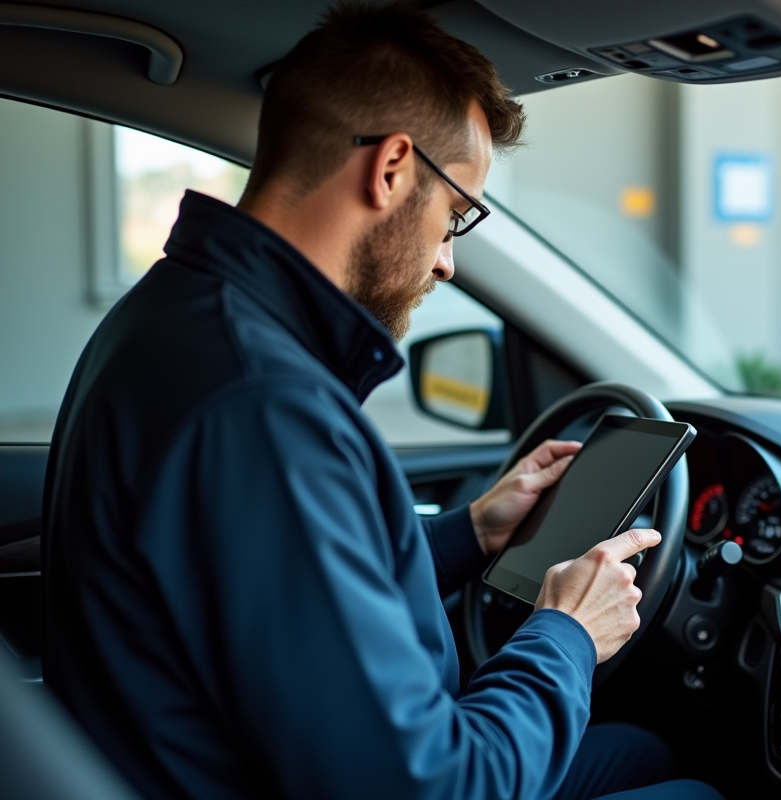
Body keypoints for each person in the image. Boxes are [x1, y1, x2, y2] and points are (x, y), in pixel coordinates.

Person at [39, 3, 722, 800]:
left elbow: (292, 586)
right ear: (392, 168)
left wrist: (473, 532)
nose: (448, 262)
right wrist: (567, 633)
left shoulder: (175, 315)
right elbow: (428, 785)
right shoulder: (265, 408)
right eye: (456, 215)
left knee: (643, 752)